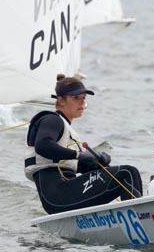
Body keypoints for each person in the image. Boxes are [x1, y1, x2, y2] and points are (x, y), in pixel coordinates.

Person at [25, 74, 143, 214]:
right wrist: (79, 155)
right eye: (76, 98)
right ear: (61, 100)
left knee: (126, 173)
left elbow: (72, 164)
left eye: (83, 98)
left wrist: (96, 162)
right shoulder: (52, 120)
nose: (82, 103)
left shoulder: (66, 128)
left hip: (63, 194)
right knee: (127, 173)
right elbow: (43, 146)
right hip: (58, 195)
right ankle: (140, 220)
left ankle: (135, 220)